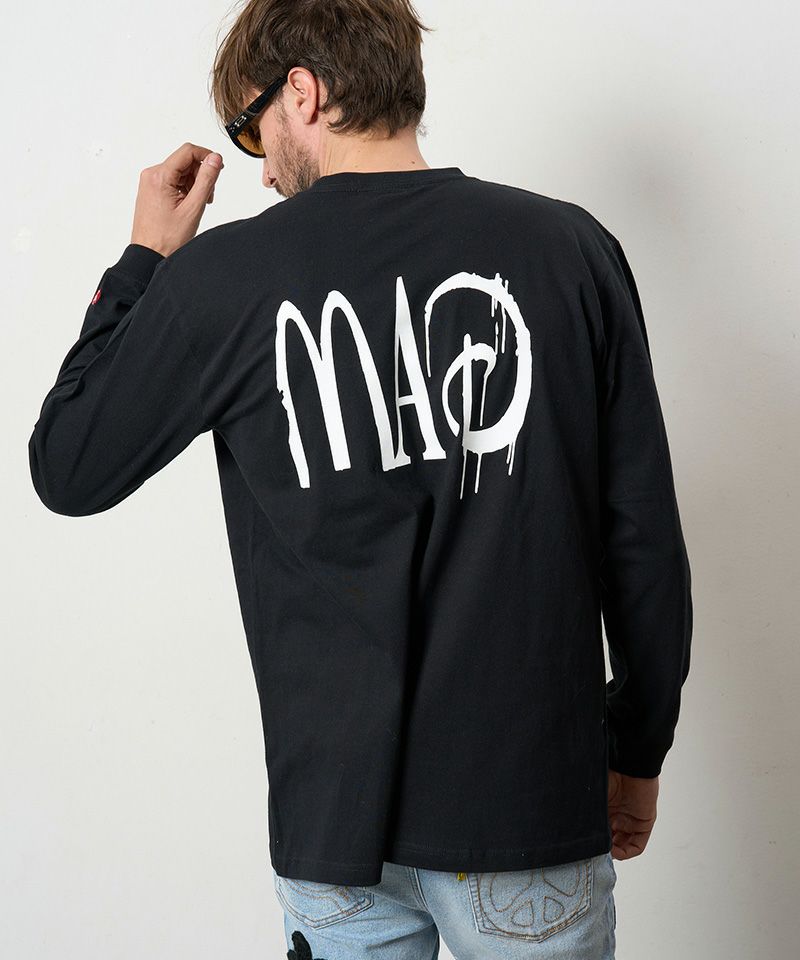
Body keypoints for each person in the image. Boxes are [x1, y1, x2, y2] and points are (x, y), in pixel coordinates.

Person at [27, 1, 693, 958]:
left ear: (302, 92)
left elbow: (69, 464)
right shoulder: (568, 249)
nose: (262, 168)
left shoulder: (224, 279)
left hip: (334, 826)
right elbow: (642, 540)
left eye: (252, 131)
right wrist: (638, 747)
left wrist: (145, 261)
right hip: (527, 806)